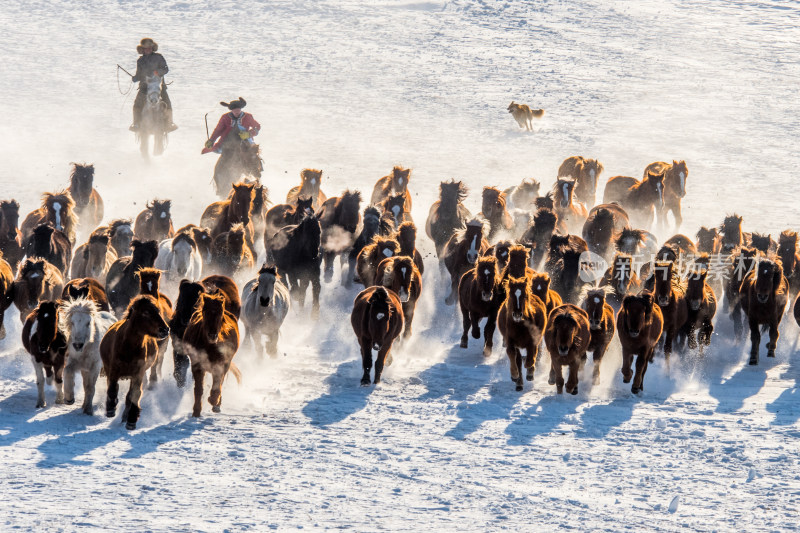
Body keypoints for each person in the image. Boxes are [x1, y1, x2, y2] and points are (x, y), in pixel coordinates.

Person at [129, 37, 178, 132]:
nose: (148, 50)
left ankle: (169, 123)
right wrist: (135, 78)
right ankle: (136, 123)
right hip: (144, 87)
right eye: (146, 48)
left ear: (153, 48)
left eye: (150, 48)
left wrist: (158, 72)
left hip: (159, 86)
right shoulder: (140, 61)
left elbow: (165, 69)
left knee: (167, 102)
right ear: (142, 49)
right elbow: (139, 74)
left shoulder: (159, 57)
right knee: (137, 104)